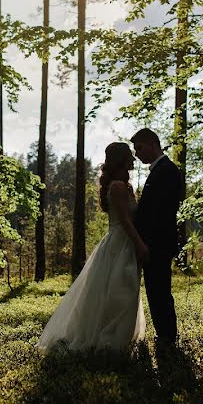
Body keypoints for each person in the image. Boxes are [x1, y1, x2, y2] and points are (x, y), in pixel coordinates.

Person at [36, 142, 147, 353]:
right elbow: (124, 220)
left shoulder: (123, 185)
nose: (133, 160)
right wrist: (140, 245)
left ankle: (117, 339)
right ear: (121, 159)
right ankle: (109, 341)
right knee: (120, 290)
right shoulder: (117, 186)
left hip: (123, 241)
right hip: (120, 243)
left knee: (123, 289)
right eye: (130, 156)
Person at [130, 128, 184, 346]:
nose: (136, 154)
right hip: (155, 242)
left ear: (153, 144)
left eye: (139, 148)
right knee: (156, 290)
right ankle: (165, 334)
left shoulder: (167, 170)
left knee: (159, 291)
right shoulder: (159, 170)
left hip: (158, 243)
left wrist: (146, 243)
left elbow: (160, 213)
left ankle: (167, 337)